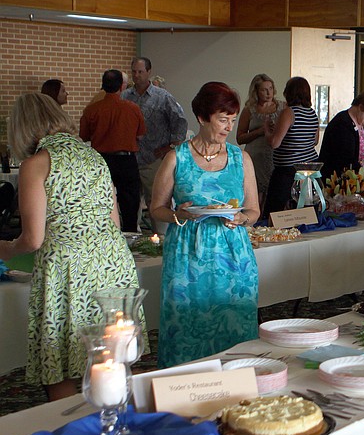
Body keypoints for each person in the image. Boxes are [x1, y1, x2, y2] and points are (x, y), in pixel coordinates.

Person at [1, 93, 140, 401]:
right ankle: (111, 422)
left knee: (59, 363)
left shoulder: (35, 164)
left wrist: (6, 249)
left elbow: (33, 239)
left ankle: (69, 433)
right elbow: (115, 222)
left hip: (67, 269)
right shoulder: (95, 157)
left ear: (22, 127)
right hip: (111, 262)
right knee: (109, 356)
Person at [149, 82, 260, 368]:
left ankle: (238, 389)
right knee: (186, 323)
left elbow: (254, 210)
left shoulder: (241, 158)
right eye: (223, 120)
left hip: (233, 254)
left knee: (234, 324)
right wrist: (179, 215)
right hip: (187, 254)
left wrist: (240, 218)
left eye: (232, 121)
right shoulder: (177, 158)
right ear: (201, 117)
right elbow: (157, 209)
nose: (228, 128)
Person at [123, 57, 188, 231]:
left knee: (157, 200)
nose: (136, 75)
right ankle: (132, 238)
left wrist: (172, 146)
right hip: (131, 157)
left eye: (140, 72)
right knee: (130, 201)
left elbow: (180, 121)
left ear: (148, 72)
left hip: (154, 157)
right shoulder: (125, 96)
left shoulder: (162, 96)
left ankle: (162, 239)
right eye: (134, 72)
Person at [80, 69, 146, 232]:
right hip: (126, 160)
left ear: (103, 85)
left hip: (100, 160)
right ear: (122, 87)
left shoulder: (92, 110)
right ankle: (130, 234)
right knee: (130, 201)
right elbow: (141, 135)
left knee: (99, 199)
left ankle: (101, 234)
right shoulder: (132, 108)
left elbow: (84, 136)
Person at [263, 76, 320, 217]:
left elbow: (275, 143)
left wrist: (266, 131)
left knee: (275, 212)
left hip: (288, 170)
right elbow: (314, 141)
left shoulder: (289, 112)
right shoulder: (312, 113)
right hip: (310, 169)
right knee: (305, 213)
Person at [237, 74, 284, 212]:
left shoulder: (282, 107)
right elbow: (240, 138)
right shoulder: (249, 110)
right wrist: (260, 131)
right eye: (264, 90)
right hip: (255, 158)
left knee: (276, 192)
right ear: (256, 91)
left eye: (270, 88)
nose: (269, 93)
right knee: (256, 193)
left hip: (276, 156)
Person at [319, 88, 364, 181]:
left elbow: (358, 152)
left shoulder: (358, 123)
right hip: (339, 184)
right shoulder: (342, 125)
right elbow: (346, 161)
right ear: (361, 107)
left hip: (356, 182)